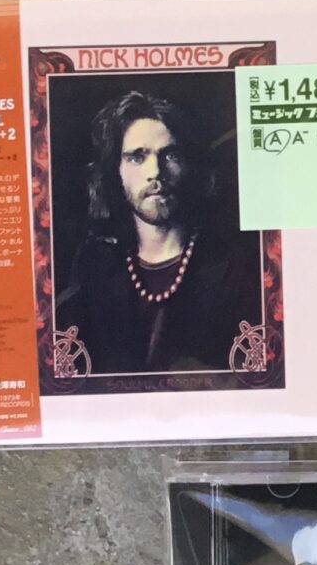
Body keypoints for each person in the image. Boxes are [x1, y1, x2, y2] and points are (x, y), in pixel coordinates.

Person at [53, 88, 265, 379]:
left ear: (190, 165)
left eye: (170, 155)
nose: (155, 171)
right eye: (137, 157)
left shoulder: (237, 268)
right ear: (115, 171)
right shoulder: (95, 272)